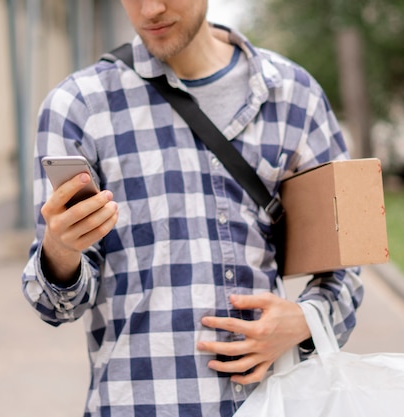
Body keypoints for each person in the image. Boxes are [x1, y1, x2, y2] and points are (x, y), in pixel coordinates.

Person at [21, 1, 364, 416]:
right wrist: (60, 248)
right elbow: (54, 304)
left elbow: (352, 253)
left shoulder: (295, 94)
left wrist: (306, 321)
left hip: (272, 403)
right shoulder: (78, 106)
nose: (150, 9)